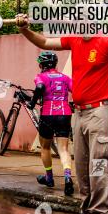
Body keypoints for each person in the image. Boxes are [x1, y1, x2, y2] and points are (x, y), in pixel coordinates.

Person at [16, 14, 108, 214]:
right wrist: (25, 29)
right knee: (82, 166)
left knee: (99, 166)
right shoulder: (75, 40)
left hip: (98, 112)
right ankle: (86, 210)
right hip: (79, 113)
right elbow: (45, 43)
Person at [29, 51, 75, 196]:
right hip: (64, 114)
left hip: (48, 114)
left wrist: (32, 103)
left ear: (42, 64)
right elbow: (76, 91)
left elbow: (40, 87)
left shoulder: (40, 76)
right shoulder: (65, 77)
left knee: (45, 147)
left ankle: (49, 178)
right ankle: (67, 178)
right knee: (64, 149)